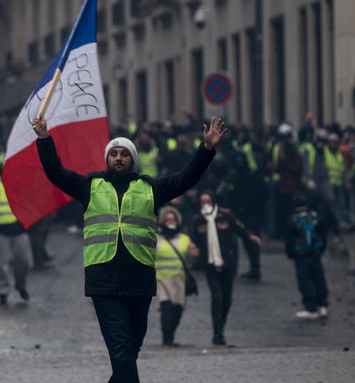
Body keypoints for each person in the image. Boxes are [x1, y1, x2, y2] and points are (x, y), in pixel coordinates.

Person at [33, 114, 225, 383]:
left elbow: (185, 179)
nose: (119, 158)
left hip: (140, 282)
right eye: (114, 154)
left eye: (124, 154)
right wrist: (44, 138)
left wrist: (206, 150)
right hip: (104, 284)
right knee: (122, 354)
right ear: (107, 159)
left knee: (129, 353)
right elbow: (56, 172)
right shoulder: (90, 187)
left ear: (132, 160)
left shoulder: (150, 189)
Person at [190, 191, 261, 345]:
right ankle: (218, 333)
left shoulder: (226, 215)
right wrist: (193, 249)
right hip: (209, 265)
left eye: (208, 201)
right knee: (217, 297)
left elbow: (240, 229)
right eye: (203, 202)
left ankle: (221, 326)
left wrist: (250, 237)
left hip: (227, 263)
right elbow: (194, 239)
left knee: (227, 299)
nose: (206, 205)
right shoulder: (198, 221)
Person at [155, 206, 198, 346]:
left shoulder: (184, 239)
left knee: (178, 310)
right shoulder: (156, 239)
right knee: (166, 308)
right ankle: (166, 339)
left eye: (173, 219)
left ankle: (171, 336)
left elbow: (191, 260)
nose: (170, 222)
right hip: (162, 280)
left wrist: (193, 254)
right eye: (167, 220)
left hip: (179, 280)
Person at [284, 192, 329, 319]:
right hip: (315, 253)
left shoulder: (292, 219)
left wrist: (291, 255)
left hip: (301, 255)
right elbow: (324, 235)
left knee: (305, 280)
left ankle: (311, 308)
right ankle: (323, 305)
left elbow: (289, 240)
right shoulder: (315, 217)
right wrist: (321, 250)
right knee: (319, 278)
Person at [0, 171, 32, 305]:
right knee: (2, 264)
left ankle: (21, 285)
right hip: (1, 233)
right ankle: (3, 291)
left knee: (24, 262)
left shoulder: (21, 187)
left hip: (20, 231)